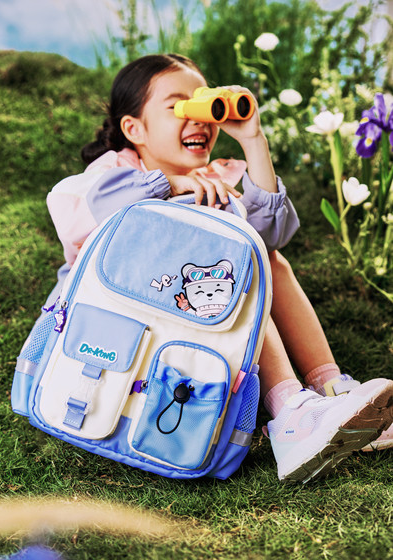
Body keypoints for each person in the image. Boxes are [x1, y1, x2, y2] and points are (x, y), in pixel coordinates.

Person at [46, 54, 393, 482]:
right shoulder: (118, 171)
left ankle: (334, 394)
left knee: (266, 259)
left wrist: (252, 139)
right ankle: (291, 412)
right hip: (117, 320)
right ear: (134, 129)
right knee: (235, 269)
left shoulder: (214, 178)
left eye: (203, 103)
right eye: (179, 106)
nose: (199, 117)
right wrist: (167, 184)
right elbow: (76, 208)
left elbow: (272, 235)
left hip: (188, 315)